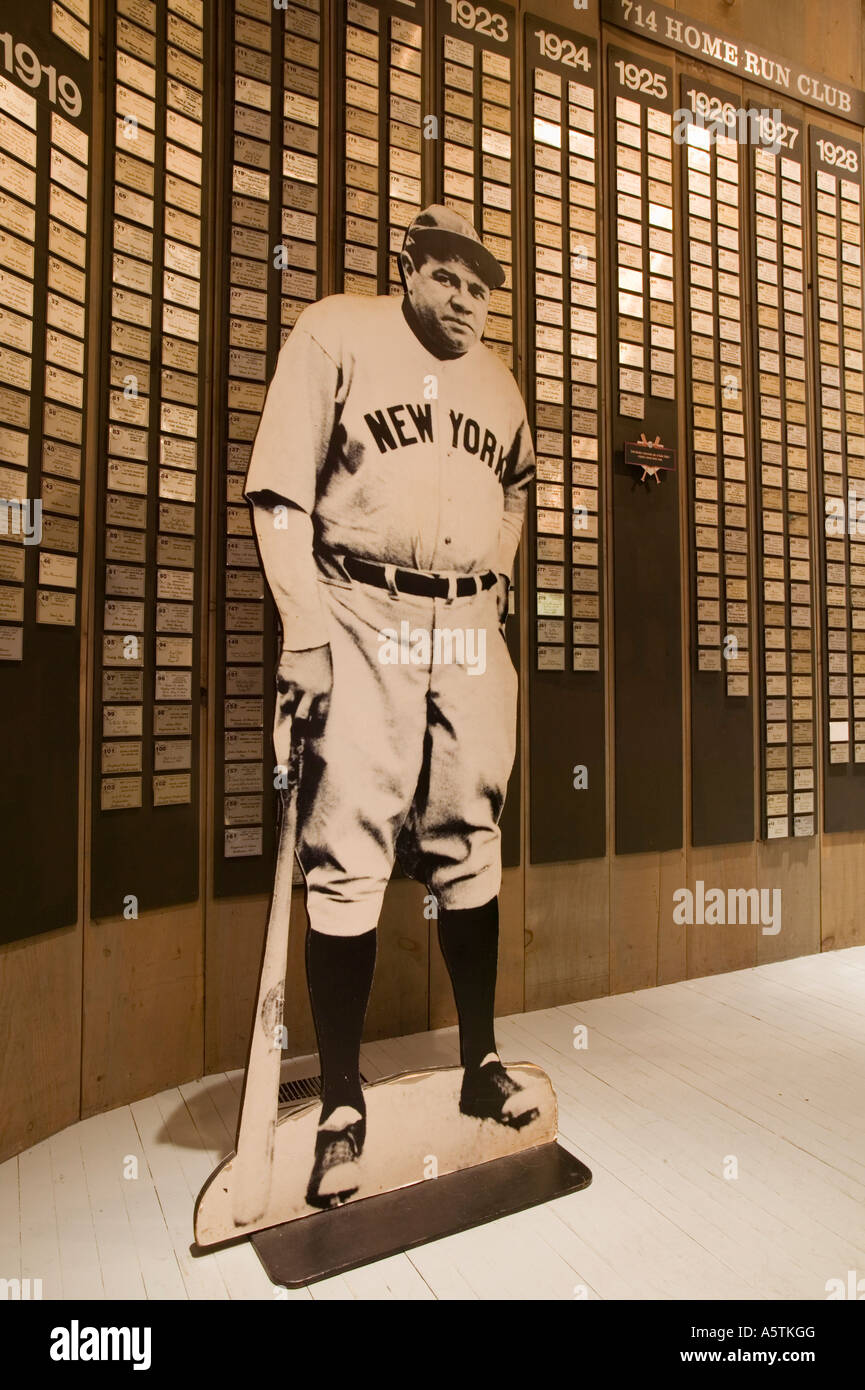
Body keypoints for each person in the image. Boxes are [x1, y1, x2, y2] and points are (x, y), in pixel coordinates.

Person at [244, 205, 537, 1209]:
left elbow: (517, 488)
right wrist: (305, 630)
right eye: (449, 275)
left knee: (469, 837)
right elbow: (279, 493)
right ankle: (338, 1104)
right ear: (403, 264)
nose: (466, 300)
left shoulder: (496, 383)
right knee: (349, 845)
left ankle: (481, 1061)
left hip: (462, 620)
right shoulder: (334, 330)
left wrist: (493, 579)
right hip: (359, 603)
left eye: (482, 285)